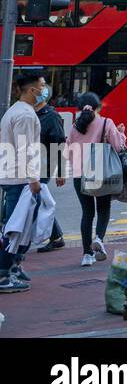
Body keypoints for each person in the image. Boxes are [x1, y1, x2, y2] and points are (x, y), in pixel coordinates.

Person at [0, 70, 47, 292]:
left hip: (13, 176)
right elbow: (25, 149)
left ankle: (13, 267)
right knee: (15, 229)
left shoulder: (17, 111)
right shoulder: (26, 115)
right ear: (32, 90)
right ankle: (3, 275)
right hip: (19, 179)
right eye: (43, 85)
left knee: (17, 227)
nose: (45, 89)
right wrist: (33, 179)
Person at [65, 94, 125, 266]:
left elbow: (69, 151)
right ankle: (99, 238)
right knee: (103, 209)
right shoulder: (106, 123)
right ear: (98, 107)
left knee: (87, 213)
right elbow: (118, 147)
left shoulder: (75, 126)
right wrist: (121, 133)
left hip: (80, 175)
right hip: (101, 173)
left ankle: (86, 254)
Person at [33, 87, 66, 252]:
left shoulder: (51, 117)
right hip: (30, 164)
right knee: (38, 201)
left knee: (39, 200)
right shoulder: (31, 113)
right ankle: (57, 237)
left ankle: (56, 237)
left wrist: (61, 172)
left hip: (45, 165)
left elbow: (59, 144)